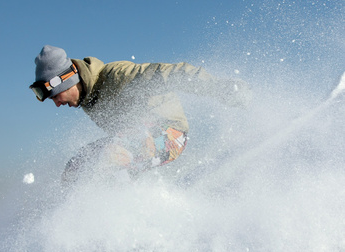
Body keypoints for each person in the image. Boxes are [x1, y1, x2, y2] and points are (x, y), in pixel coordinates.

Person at [30, 45, 252, 184]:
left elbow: (170, 73)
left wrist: (219, 88)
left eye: (56, 96)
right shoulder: (88, 97)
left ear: (68, 80)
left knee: (110, 154)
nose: (58, 104)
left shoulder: (117, 76)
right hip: (132, 138)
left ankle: (112, 211)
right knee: (77, 164)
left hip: (170, 134)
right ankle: (69, 218)